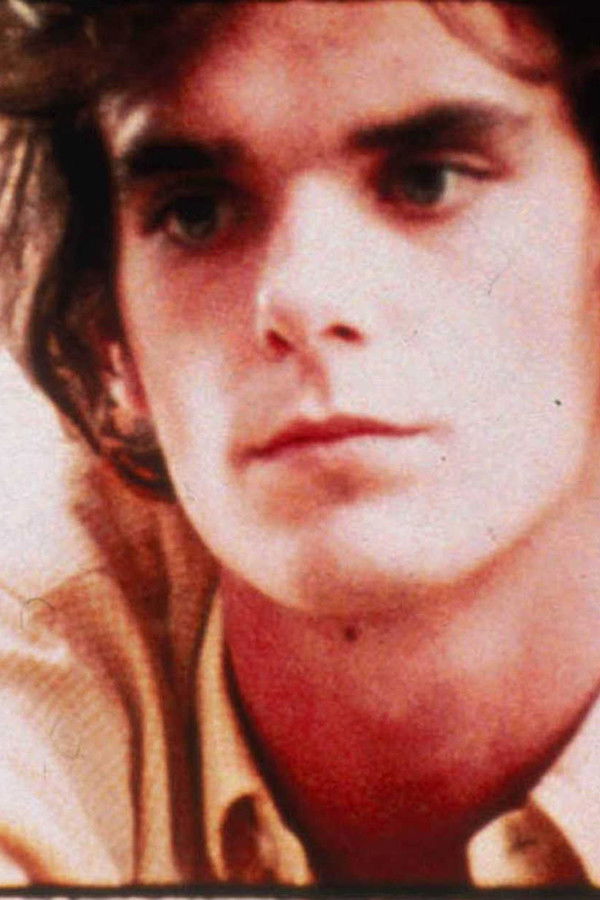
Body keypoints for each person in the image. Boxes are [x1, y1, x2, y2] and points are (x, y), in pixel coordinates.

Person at [1, 0, 600, 888]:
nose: (302, 295)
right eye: (196, 213)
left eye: (428, 182)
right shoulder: (37, 644)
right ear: (111, 338)